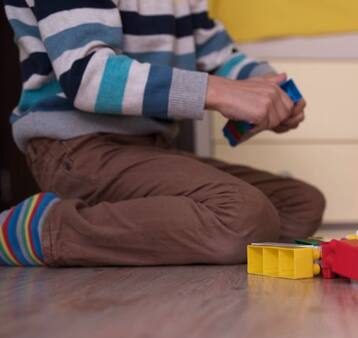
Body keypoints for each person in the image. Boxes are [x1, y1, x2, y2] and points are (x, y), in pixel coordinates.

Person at [0, 0, 325, 267]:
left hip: (149, 148)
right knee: (241, 216)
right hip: (77, 148)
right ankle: (45, 230)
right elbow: (88, 77)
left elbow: (220, 59)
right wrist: (223, 92)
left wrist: (267, 88)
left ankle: (178, 238)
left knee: (301, 204)